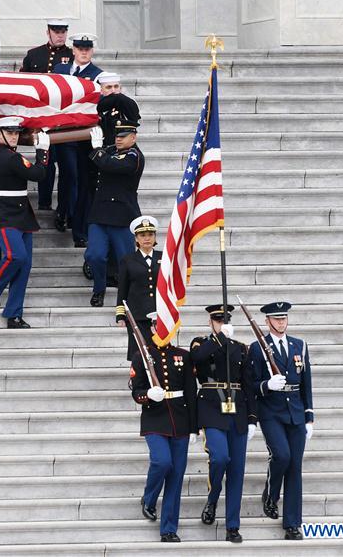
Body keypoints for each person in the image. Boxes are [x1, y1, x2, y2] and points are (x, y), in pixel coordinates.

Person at [190, 304, 258, 544]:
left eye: (225, 320)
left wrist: (252, 418)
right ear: (211, 322)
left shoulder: (241, 348)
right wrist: (220, 338)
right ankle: (213, 496)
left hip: (237, 411)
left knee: (237, 471)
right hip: (210, 408)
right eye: (217, 320)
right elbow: (196, 359)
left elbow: (248, 385)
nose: (221, 323)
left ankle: (232, 525)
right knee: (219, 457)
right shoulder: (201, 343)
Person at [130, 312, 198, 543]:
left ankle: (168, 528)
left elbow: (191, 393)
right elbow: (135, 391)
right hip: (154, 419)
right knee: (162, 461)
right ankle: (149, 499)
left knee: (176, 476)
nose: (163, 332)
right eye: (159, 327)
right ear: (151, 329)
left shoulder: (183, 356)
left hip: (180, 420)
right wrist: (147, 395)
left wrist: (194, 427)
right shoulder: (142, 356)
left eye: (167, 327)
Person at [248, 301, 314, 541]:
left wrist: (309, 416)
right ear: (267, 322)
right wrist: (266, 385)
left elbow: (306, 382)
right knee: (282, 456)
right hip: (271, 412)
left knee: (295, 466)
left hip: (295, 411)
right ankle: (270, 494)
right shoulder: (256, 348)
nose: (281, 322)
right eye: (276, 319)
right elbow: (250, 385)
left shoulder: (300, 345)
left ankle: (292, 524)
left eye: (283, 318)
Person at [0, 118, 51, 329]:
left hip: (22, 215)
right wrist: (42, 151)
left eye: (16, 133)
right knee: (16, 256)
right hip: (5, 215)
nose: (14, 136)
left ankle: (14, 314)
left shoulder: (12, 155)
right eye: (9, 132)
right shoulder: (7, 157)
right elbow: (39, 174)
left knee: (24, 267)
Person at [83, 121, 144, 307]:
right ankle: (99, 288)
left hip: (122, 216)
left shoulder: (134, 156)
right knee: (94, 255)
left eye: (123, 136)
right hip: (100, 214)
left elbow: (112, 166)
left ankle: (126, 299)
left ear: (133, 138)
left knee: (125, 261)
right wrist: (98, 150)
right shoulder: (110, 151)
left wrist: (97, 150)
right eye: (117, 136)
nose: (118, 139)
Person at [52, 33, 102, 243]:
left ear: (92, 51)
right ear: (73, 50)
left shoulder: (98, 75)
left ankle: (77, 226)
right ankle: (64, 211)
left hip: (83, 136)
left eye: (87, 48)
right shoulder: (60, 70)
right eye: (80, 48)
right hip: (62, 132)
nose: (83, 52)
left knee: (81, 180)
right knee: (67, 175)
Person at [19, 20, 73, 212]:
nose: (60, 35)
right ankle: (44, 202)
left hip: (65, 120)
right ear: (48, 32)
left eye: (63, 32)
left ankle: (65, 208)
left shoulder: (72, 55)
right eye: (56, 31)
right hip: (41, 119)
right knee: (45, 161)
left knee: (67, 166)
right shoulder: (34, 55)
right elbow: (24, 84)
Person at [115, 215, 161, 360]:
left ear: (154, 237)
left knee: (160, 351)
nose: (146, 238)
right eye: (142, 235)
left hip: (160, 313)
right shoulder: (127, 260)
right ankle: (138, 381)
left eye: (150, 234)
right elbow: (123, 288)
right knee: (138, 352)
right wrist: (120, 314)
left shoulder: (165, 257)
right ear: (136, 239)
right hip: (137, 314)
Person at [96, 72, 141, 147]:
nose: (113, 90)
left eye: (116, 86)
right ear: (100, 90)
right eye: (109, 87)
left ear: (120, 88)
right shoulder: (95, 105)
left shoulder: (126, 103)